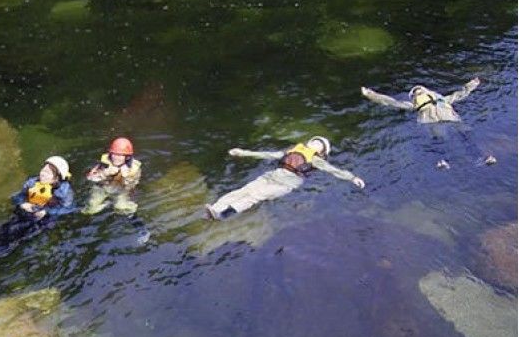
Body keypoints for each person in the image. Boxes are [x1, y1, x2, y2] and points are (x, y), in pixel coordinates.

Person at [0, 156, 75, 277]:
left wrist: (47, 212)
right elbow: (16, 197)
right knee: (1, 233)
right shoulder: (32, 183)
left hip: (41, 221)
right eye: (43, 170)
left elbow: (68, 209)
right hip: (25, 213)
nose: (43, 174)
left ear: (56, 178)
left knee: (13, 239)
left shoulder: (64, 192)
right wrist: (22, 203)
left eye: (48, 173)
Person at [205, 136, 365, 220]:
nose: (315, 144)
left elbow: (333, 170)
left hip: (285, 185)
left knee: (254, 196)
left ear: (321, 152)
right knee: (244, 190)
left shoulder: (316, 160)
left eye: (319, 145)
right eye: (314, 141)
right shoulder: (292, 150)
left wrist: (352, 178)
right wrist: (243, 152)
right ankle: (215, 209)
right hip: (272, 176)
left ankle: (223, 216)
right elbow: (267, 154)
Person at [361, 78, 495, 168]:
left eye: (419, 89)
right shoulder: (412, 104)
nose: (418, 91)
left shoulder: (444, 99)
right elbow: (391, 102)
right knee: (439, 140)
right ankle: (442, 161)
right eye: (415, 92)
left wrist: (473, 84)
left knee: (466, 136)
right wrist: (370, 94)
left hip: (451, 118)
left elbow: (461, 93)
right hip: (431, 122)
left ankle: (481, 158)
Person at [83, 137, 150, 243]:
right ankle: (108, 204)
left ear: (127, 157)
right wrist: (105, 173)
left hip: (121, 191)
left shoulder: (133, 169)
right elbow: (89, 178)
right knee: (91, 208)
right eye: (114, 154)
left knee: (123, 208)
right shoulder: (104, 164)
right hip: (102, 188)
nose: (116, 157)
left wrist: (126, 178)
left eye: (120, 155)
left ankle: (142, 230)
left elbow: (131, 187)